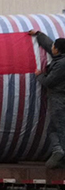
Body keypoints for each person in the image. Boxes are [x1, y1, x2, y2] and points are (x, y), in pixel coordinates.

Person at [29, 29, 65, 168]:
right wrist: (39, 34)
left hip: (59, 100)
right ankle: (58, 151)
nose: (52, 48)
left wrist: (39, 75)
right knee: (54, 128)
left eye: (54, 46)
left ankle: (60, 152)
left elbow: (49, 82)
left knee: (59, 128)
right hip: (58, 99)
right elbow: (49, 45)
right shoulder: (60, 58)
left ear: (58, 50)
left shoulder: (61, 65)